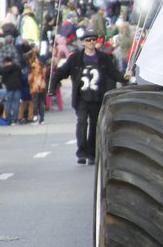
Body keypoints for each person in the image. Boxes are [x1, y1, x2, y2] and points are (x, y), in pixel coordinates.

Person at [50, 28, 130, 165]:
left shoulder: (103, 57)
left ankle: (91, 153)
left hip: (97, 96)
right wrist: (51, 86)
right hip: (81, 97)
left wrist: (124, 77)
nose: (92, 42)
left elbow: (113, 72)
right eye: (89, 40)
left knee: (94, 126)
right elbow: (61, 72)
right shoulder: (75, 58)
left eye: (94, 39)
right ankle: (81, 152)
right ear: (83, 42)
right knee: (82, 123)